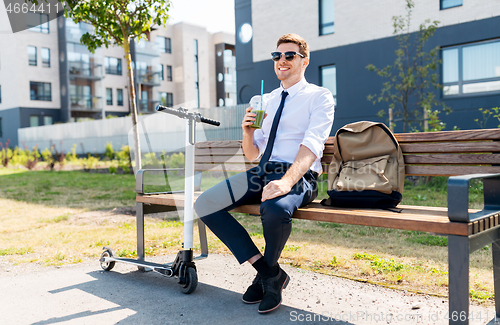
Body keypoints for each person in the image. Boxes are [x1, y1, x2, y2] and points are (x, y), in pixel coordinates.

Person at [194, 33, 335, 314]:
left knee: (274, 208)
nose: (281, 60)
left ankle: (266, 279)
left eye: (289, 55)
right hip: (261, 172)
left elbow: (312, 146)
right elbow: (251, 153)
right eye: (277, 55)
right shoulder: (264, 100)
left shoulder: (319, 96)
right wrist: (247, 132)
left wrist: (285, 182)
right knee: (205, 203)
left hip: (299, 175)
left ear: (304, 61)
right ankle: (270, 273)